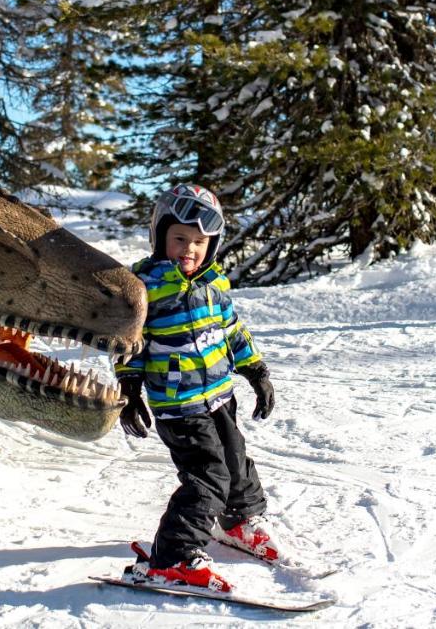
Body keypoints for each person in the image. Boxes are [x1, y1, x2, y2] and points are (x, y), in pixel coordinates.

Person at [116, 184, 277, 592]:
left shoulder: (214, 284)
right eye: (180, 239)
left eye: (200, 242)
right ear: (160, 237)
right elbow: (129, 341)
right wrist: (129, 387)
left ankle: (238, 521)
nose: (189, 249)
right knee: (207, 476)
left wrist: (255, 369)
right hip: (178, 404)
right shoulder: (145, 287)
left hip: (219, 394)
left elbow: (233, 331)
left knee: (234, 458)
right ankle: (173, 556)